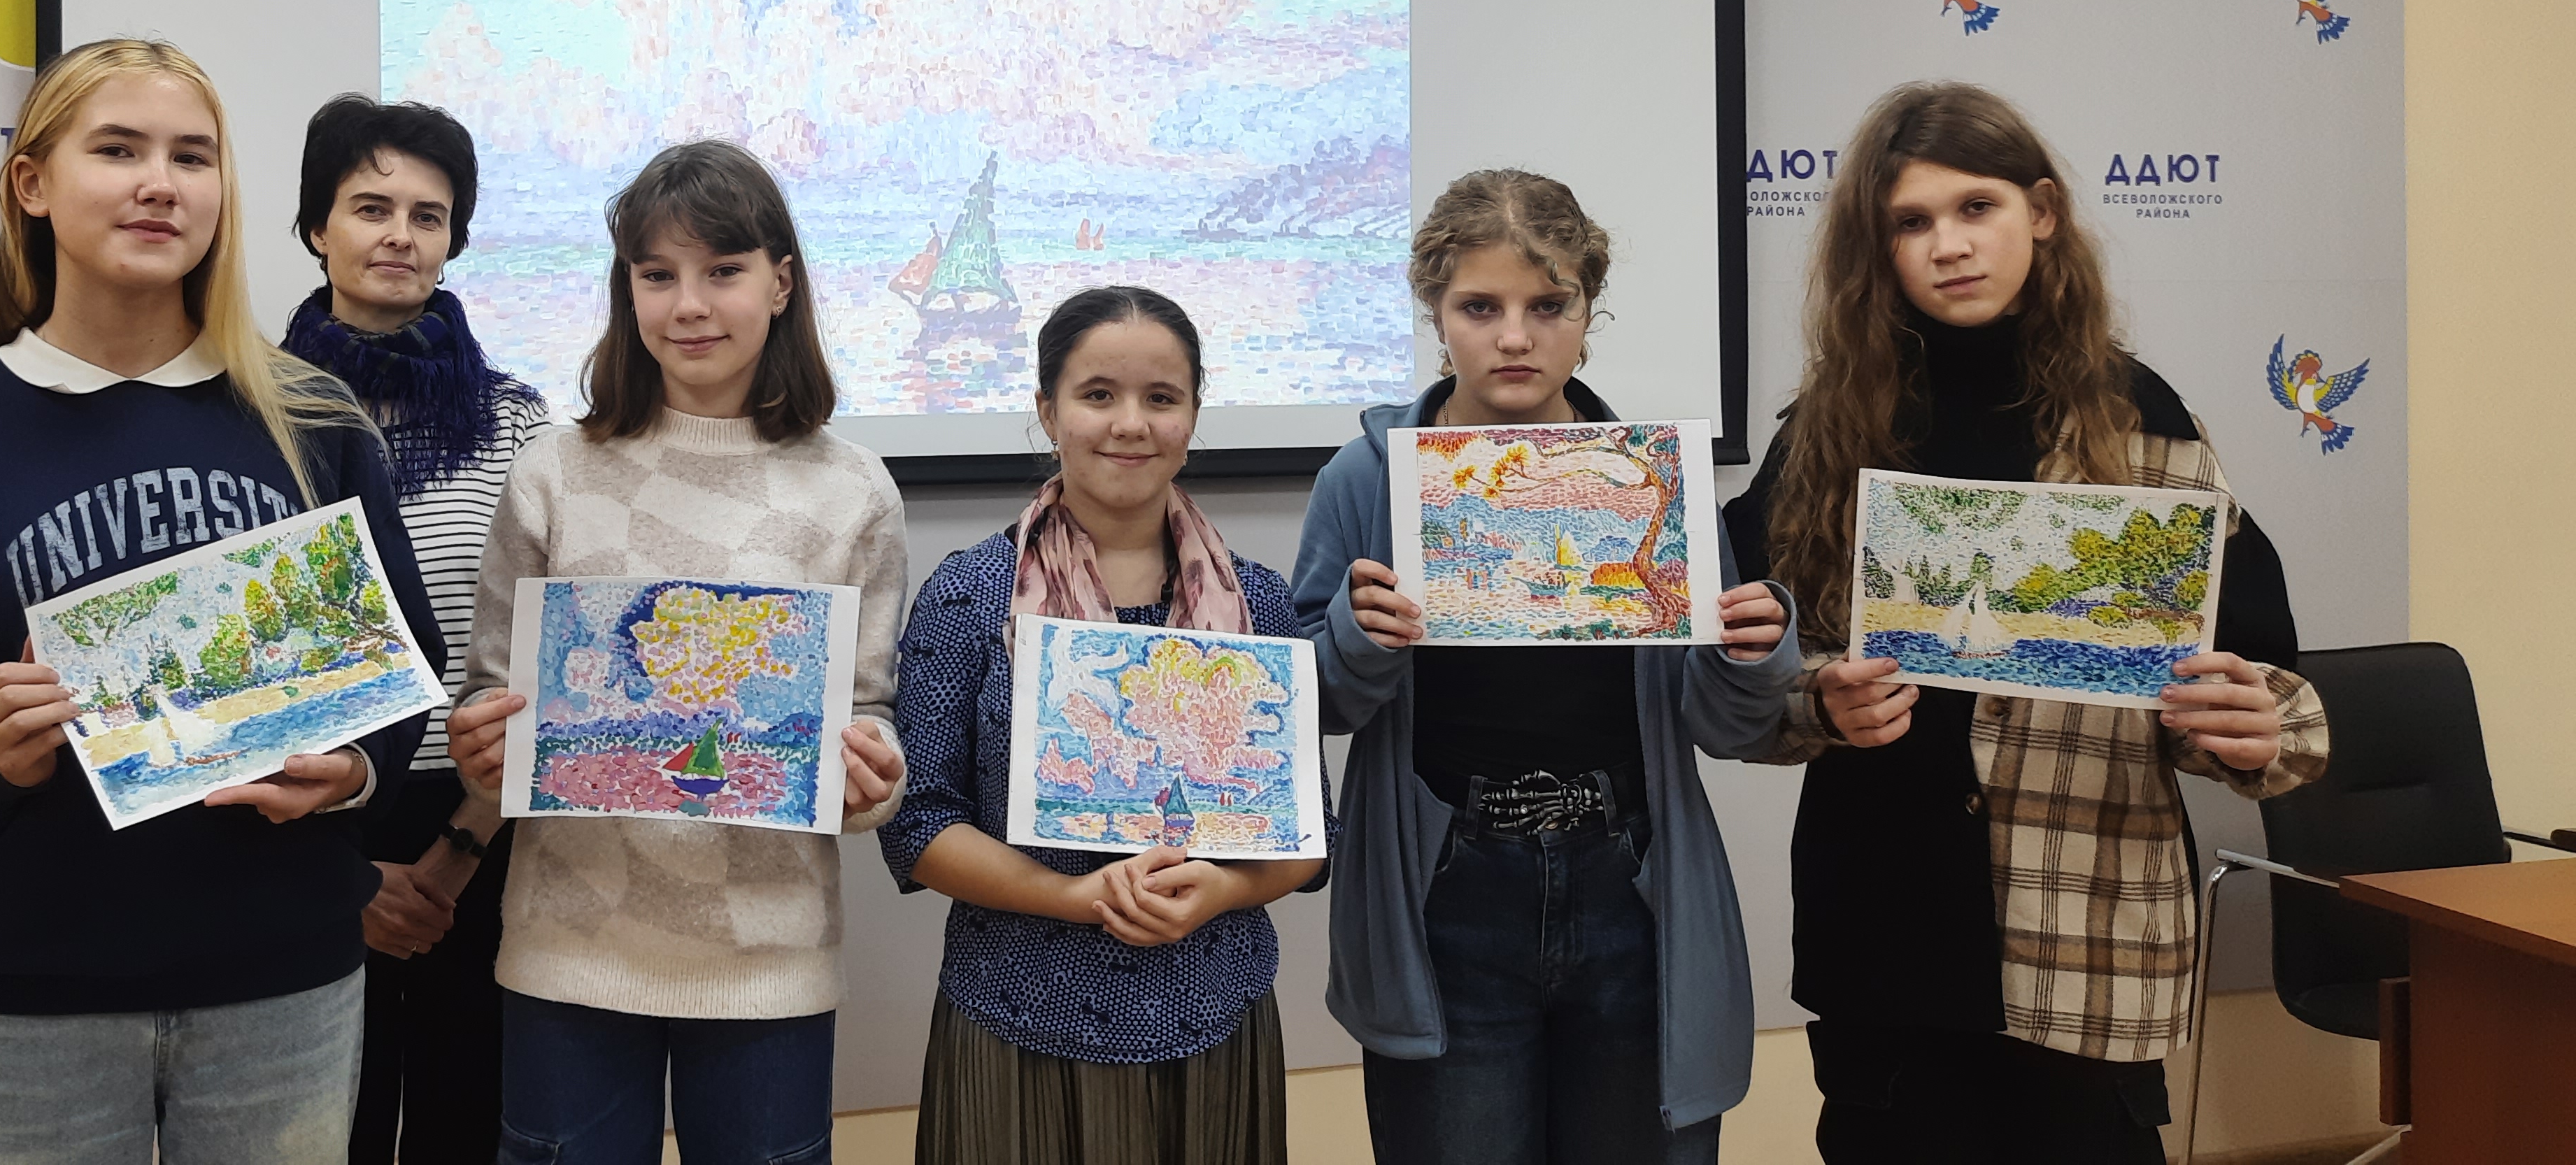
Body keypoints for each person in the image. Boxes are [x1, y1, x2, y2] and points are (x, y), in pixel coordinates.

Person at [0, 39, 442, 1165]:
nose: (160, 183)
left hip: (283, 991)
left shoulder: (312, 424)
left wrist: (353, 771)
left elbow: (401, 680)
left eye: (192, 156)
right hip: (22, 1005)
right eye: (118, 150)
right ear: (32, 184)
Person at [1725, 81, 2328, 1165]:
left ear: (2042, 212)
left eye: (1978, 207)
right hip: (1889, 942)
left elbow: (2264, 685)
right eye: (1911, 222)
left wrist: (2250, 729)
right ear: (1877, 249)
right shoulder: (1828, 430)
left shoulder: (2142, 422)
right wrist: (1818, 704)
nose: (1949, 245)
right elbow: (1746, 678)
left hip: (2089, 940)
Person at [1290, 169, 1802, 1165]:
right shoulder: (1368, 478)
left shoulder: (1653, 477)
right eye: (1480, 307)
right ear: (1435, 313)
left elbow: (1728, 728)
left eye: (1547, 306)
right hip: (1449, 882)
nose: (1515, 337)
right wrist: (1358, 636)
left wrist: (1754, 655)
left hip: (1630, 878)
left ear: (1587, 311)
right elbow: (1317, 700)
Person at [445, 138, 911, 1165]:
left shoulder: (853, 491)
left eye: (722, 271)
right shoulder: (554, 474)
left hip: (770, 957)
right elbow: (492, 696)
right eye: (656, 275)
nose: (688, 305)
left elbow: (867, 711)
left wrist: (871, 775)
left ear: (780, 283)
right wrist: (481, 745)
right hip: (569, 950)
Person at [883, 286, 1331, 1165]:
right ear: (1048, 411)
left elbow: (1308, 835)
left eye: (1160, 398)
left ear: (1192, 417)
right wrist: (1075, 897)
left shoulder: (1258, 603)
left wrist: (1223, 891)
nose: (1130, 423)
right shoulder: (970, 596)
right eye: (1098, 395)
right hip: (1016, 1014)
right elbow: (918, 824)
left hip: (1215, 1010)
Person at [278, 94, 550, 1165]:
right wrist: (343, 879)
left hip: (477, 821)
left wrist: (456, 853)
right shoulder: (249, 413)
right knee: (320, 1131)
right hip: (301, 821)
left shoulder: (519, 422)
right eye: (370, 208)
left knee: (464, 1120)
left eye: (427, 216)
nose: (399, 235)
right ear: (317, 227)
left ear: (453, 241)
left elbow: (541, 649)